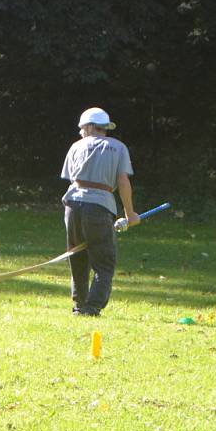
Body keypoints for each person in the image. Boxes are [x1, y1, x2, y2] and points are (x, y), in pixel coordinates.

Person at [60, 107, 139, 317]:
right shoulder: (118, 147)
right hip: (100, 207)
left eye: (81, 129)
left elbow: (72, 179)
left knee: (77, 257)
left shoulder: (76, 146)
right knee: (104, 262)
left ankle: (79, 305)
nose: (80, 133)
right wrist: (130, 214)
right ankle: (92, 307)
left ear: (89, 126)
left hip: (72, 206)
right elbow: (122, 181)